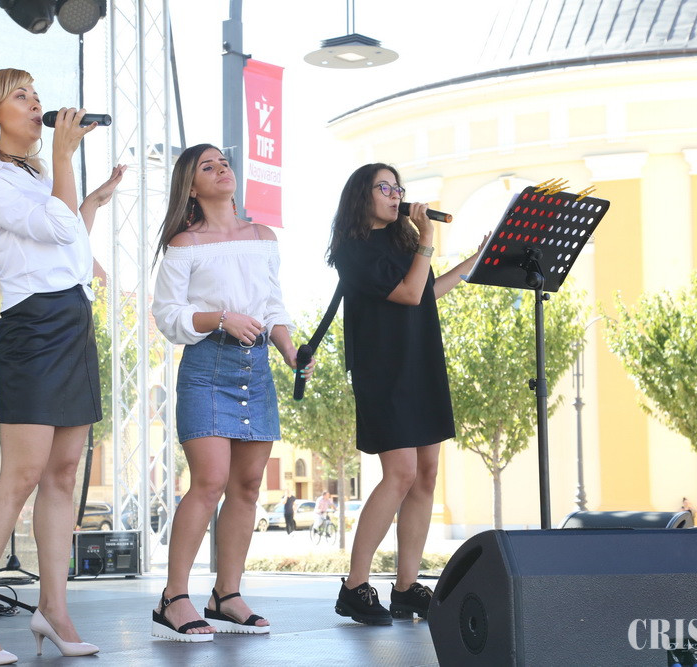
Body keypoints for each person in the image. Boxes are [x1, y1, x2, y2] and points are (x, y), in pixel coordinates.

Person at [0, 68, 126, 665]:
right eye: (20, 96)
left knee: (64, 473)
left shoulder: (38, 176)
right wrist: (67, 160)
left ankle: (54, 608)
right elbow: (54, 224)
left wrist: (91, 197)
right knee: (21, 474)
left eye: (36, 95)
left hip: (73, 320)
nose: (36, 104)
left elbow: (68, 240)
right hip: (32, 327)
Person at [150, 143, 312, 642]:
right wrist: (221, 318)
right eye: (208, 166)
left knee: (248, 485)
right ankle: (173, 597)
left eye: (224, 162)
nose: (222, 168)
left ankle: (226, 594)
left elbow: (273, 306)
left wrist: (290, 351)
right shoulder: (184, 243)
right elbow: (168, 316)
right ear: (191, 187)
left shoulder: (263, 237)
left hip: (256, 366)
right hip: (206, 366)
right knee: (210, 481)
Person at [326, 163, 482, 626]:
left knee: (426, 475)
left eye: (398, 187)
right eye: (385, 187)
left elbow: (428, 291)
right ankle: (354, 586)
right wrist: (427, 239)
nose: (396, 195)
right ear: (362, 196)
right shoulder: (352, 250)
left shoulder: (402, 243)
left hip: (420, 363)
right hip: (384, 371)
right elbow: (411, 294)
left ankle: (406, 587)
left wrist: (475, 260)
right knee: (400, 474)